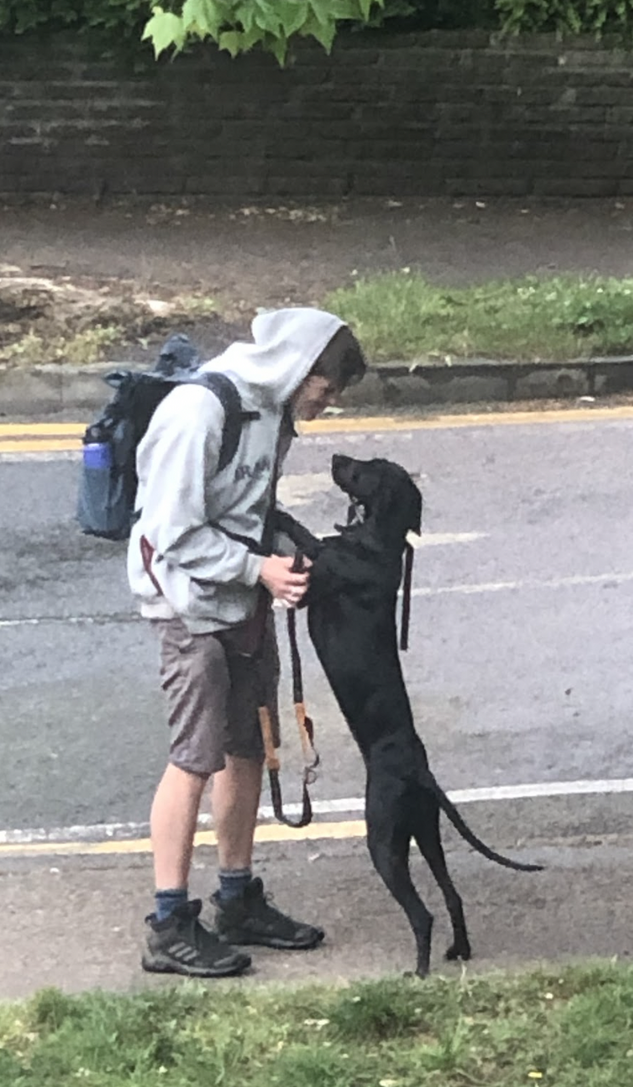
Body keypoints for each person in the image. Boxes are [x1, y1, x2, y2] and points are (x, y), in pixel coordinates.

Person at [127, 307, 367, 977]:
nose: (330, 401)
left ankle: (237, 900)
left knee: (248, 748)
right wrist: (258, 568)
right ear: (301, 367)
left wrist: (293, 554)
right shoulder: (200, 411)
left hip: (242, 601)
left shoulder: (273, 415)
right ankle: (169, 924)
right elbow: (171, 531)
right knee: (194, 757)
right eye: (329, 387)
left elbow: (252, 511)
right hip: (184, 604)